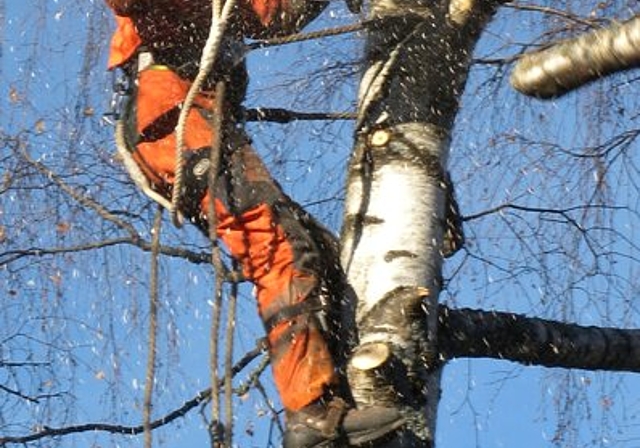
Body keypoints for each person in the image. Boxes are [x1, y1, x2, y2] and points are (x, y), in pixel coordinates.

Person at [104, 1, 405, 446]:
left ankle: (338, 399)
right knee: (278, 243)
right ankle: (311, 414)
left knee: (317, 252)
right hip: (172, 117)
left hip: (204, 117)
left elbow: (277, 15)